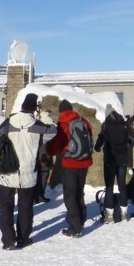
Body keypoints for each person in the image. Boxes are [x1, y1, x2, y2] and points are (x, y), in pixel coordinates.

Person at [0, 93, 56, 249]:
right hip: (28, 173)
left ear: (21, 107)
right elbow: (53, 131)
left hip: (6, 172)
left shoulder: (7, 123)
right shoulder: (37, 126)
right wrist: (44, 116)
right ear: (35, 109)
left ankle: (8, 241)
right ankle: (23, 238)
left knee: (6, 207)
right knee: (25, 207)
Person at [45, 98, 93, 237]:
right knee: (79, 191)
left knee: (70, 194)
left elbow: (57, 144)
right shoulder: (83, 121)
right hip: (84, 161)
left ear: (61, 111)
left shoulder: (63, 124)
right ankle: (81, 218)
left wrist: (49, 152)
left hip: (70, 163)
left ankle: (75, 226)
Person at [94, 104, 130, 223]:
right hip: (123, 160)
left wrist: (98, 147)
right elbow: (132, 139)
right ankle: (124, 213)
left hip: (110, 160)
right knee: (122, 186)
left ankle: (109, 216)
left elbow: (99, 143)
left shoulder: (106, 126)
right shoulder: (124, 124)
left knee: (109, 187)